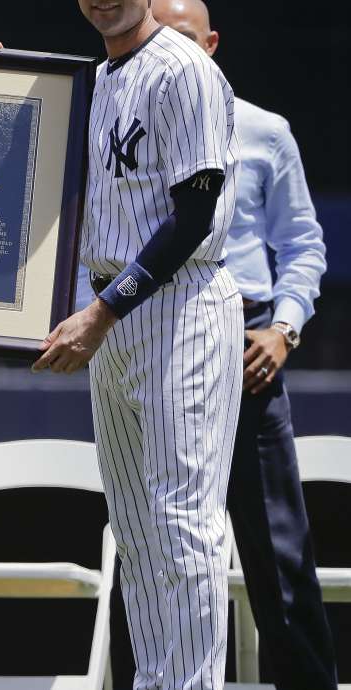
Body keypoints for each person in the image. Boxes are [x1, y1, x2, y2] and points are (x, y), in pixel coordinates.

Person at [98, 3, 333, 689]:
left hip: (247, 336)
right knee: (146, 539)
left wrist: (284, 329)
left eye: (183, 35)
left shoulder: (264, 129)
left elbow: (302, 244)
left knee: (274, 548)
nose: (167, 47)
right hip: (149, 318)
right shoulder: (119, 103)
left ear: (212, 42)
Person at [31, 2, 242, 687]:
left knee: (183, 523)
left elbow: (195, 214)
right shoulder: (100, 79)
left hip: (177, 305)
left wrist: (103, 311)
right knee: (137, 528)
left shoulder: (182, 69)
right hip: (114, 309)